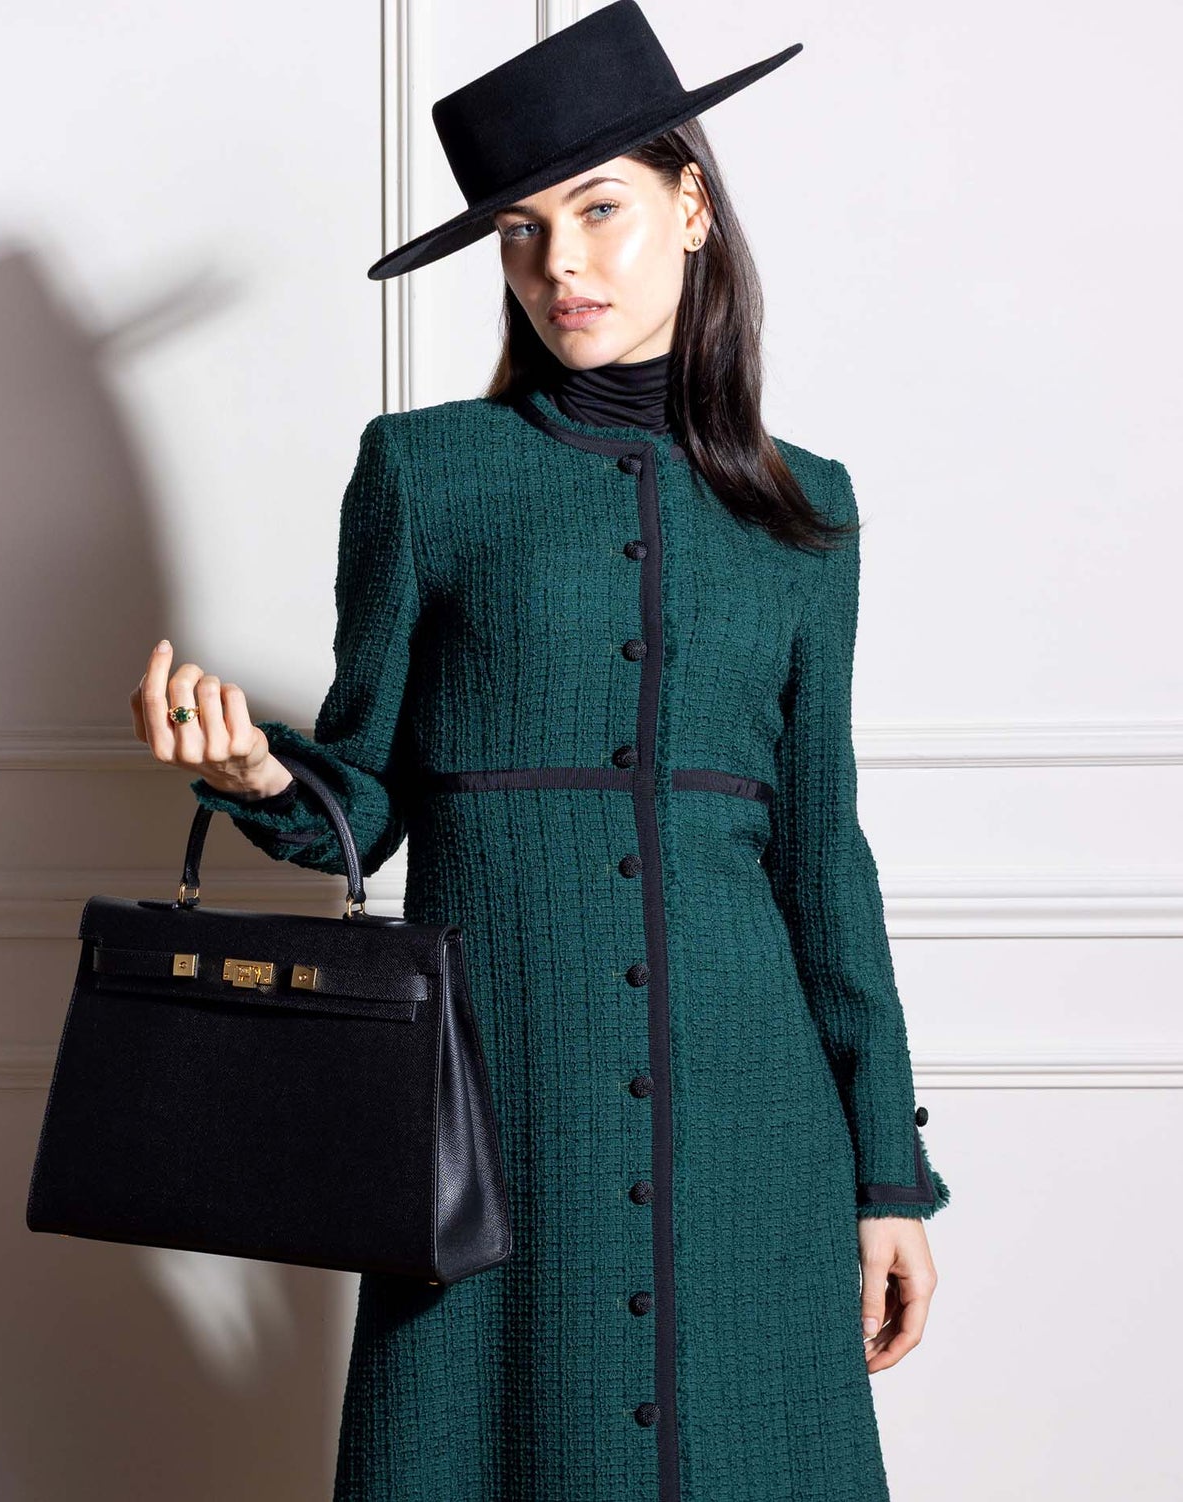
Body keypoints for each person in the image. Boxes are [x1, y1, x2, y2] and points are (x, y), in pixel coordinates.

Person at [128, 5, 947, 1498]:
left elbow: (824, 856)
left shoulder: (805, 516)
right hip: (497, 1104)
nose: (561, 264)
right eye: (519, 232)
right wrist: (260, 777)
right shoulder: (427, 475)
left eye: (599, 209)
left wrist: (887, 1172)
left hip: (756, 1123)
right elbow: (367, 796)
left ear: (691, 205)